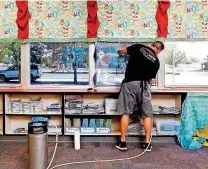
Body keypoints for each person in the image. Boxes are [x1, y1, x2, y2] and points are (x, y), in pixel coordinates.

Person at [116, 41, 165, 151]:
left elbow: (123, 51)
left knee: (125, 112)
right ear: (158, 50)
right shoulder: (156, 62)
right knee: (147, 114)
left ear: (152, 45)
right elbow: (151, 81)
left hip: (129, 83)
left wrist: (119, 52)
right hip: (144, 86)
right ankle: (147, 143)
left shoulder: (138, 47)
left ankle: (123, 142)